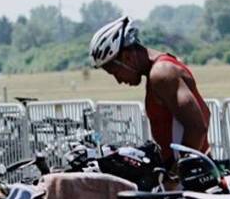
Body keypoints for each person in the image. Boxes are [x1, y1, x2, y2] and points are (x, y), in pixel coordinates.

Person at [89, 16, 210, 165]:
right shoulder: (159, 71)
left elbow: (197, 127)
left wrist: (176, 174)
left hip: (187, 179)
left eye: (115, 73)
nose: (119, 81)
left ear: (127, 58)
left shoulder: (162, 73)